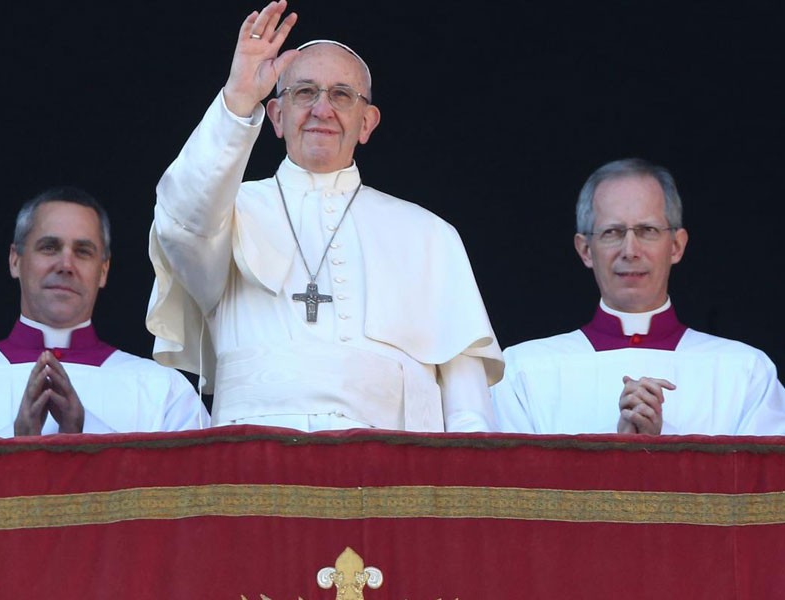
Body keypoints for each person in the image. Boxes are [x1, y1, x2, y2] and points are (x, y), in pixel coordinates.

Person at [145, 0, 504, 433]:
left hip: (389, 476)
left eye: (341, 95)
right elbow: (180, 224)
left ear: (367, 123)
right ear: (276, 116)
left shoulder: (429, 234)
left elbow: (468, 408)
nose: (322, 109)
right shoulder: (227, 212)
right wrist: (238, 99)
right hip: (252, 465)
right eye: (304, 92)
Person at [492, 157, 785, 435]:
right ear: (585, 250)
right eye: (612, 232)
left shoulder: (744, 372)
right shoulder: (524, 371)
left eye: (647, 230)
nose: (630, 250)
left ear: (676, 246)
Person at [0, 186, 209, 436]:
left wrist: (81, 440)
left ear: (103, 271)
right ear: (15, 260)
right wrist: (17, 447)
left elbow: (197, 508)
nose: (66, 265)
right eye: (49, 247)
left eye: (83, 252)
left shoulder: (164, 392)